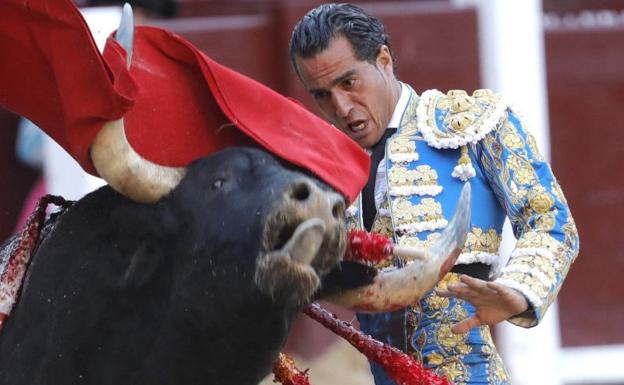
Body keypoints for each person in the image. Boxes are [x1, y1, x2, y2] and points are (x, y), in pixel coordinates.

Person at [289, 4, 579, 384]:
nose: (341, 108)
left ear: (384, 60)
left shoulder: (472, 125)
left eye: (349, 83)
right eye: (321, 95)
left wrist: (517, 290)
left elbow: (550, 222)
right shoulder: (322, 169)